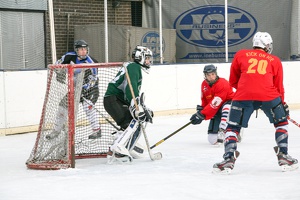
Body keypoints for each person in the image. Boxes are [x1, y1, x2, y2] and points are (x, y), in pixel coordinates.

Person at [213, 32, 298, 174]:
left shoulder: (240, 54)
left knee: (232, 127)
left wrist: (247, 88)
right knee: (281, 123)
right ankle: (283, 155)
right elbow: (278, 87)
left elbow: (233, 80)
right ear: (266, 45)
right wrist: (281, 104)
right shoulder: (274, 60)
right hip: (269, 96)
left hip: (243, 96)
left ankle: (228, 158)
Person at [103, 45, 153, 163]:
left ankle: (122, 146)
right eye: (147, 58)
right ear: (139, 57)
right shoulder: (134, 66)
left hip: (115, 100)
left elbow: (132, 92)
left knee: (135, 122)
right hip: (113, 100)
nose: (149, 61)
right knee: (134, 121)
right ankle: (118, 148)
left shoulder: (133, 67)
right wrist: (136, 107)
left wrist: (143, 108)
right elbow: (131, 89)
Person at [46, 39, 102, 140]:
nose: (84, 52)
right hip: (75, 89)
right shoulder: (69, 56)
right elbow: (57, 64)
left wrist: (85, 89)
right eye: (81, 49)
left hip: (90, 89)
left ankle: (97, 130)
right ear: (76, 50)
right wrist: (59, 72)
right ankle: (56, 130)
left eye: (85, 49)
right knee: (62, 107)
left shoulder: (91, 62)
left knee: (88, 107)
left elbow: (94, 79)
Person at [190, 64, 235, 145]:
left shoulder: (222, 83)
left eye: (213, 74)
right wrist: (201, 111)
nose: (211, 77)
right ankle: (227, 132)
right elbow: (204, 99)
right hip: (215, 108)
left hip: (229, 104)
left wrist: (203, 114)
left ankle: (227, 129)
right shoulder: (204, 84)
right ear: (205, 75)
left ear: (216, 73)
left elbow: (216, 103)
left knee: (227, 107)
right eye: (208, 75)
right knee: (212, 140)